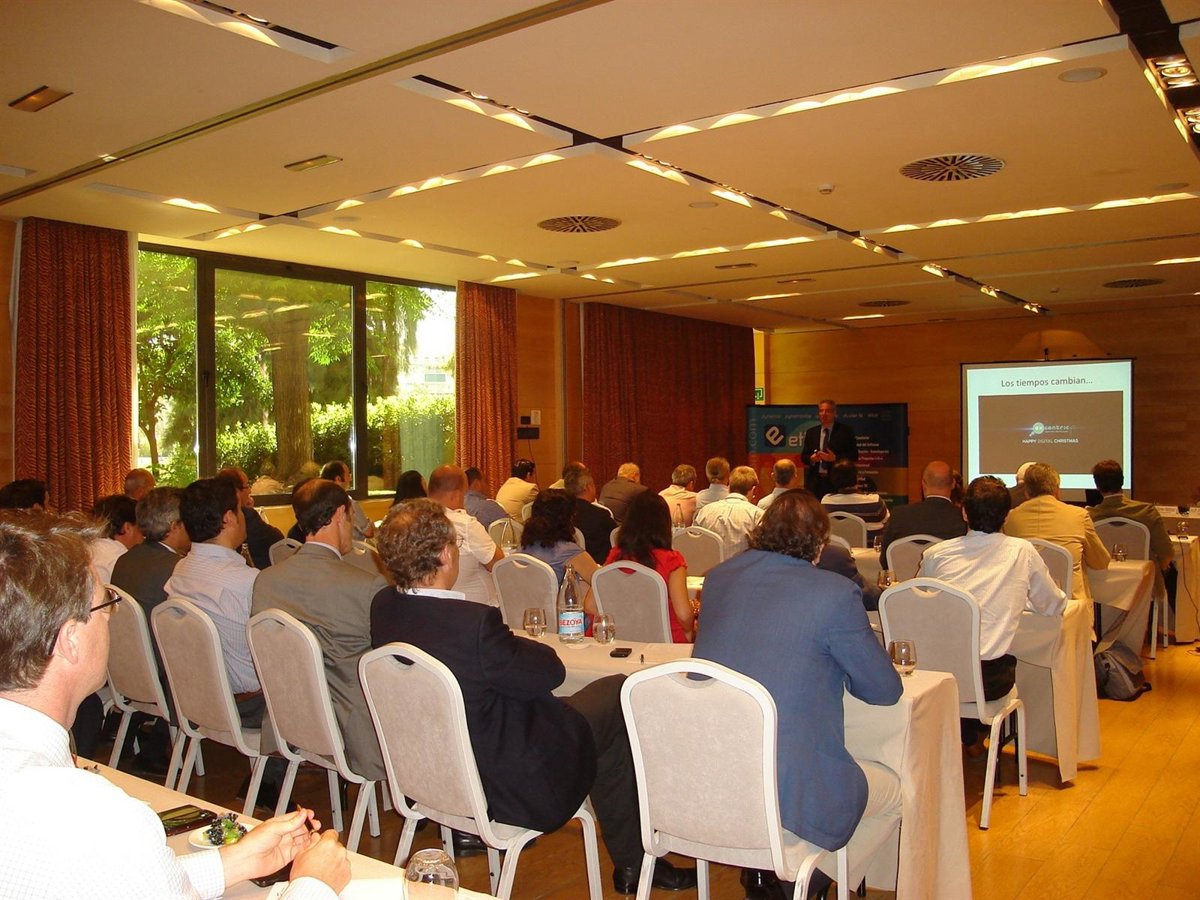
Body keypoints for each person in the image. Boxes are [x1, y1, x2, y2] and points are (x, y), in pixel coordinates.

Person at [0, 511, 350, 899]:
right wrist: (313, 883)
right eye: (106, 603)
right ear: (70, 640)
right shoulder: (96, 821)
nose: (111, 616)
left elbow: (126, 883)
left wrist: (234, 862)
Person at [369, 499, 696, 895]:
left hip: (432, 775)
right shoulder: (472, 625)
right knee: (616, 691)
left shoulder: (384, 608)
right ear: (444, 555)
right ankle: (636, 862)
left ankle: (634, 863)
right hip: (509, 784)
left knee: (600, 724)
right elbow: (550, 673)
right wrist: (515, 646)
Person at [693, 490, 902, 898]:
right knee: (895, 790)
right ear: (820, 547)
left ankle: (767, 872)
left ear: (761, 532)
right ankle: (807, 880)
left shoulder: (718, 578)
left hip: (715, 773)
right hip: (788, 785)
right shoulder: (834, 594)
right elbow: (884, 691)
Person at [251, 478, 389, 781]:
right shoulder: (365, 586)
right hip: (355, 732)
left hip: (289, 718)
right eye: (351, 517)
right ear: (340, 514)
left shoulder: (266, 581)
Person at [920, 476, 1065, 751]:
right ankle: (976, 736)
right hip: (988, 680)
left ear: (964, 512)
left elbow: (921, 603)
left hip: (936, 674)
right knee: (1010, 663)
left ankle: (964, 736)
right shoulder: (1022, 551)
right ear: (1007, 516)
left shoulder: (936, 554)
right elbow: (1053, 605)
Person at [164, 477, 262, 721]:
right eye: (240, 510)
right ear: (228, 518)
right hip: (249, 703)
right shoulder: (248, 581)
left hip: (199, 695)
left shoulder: (181, 570)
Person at [109, 486, 191, 776]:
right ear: (174, 526)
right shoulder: (177, 568)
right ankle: (156, 748)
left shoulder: (126, 559)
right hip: (160, 672)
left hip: (124, 665)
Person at [1003, 462, 1110, 606]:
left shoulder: (1009, 518)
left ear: (1026, 492)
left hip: (1024, 604)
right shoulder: (1079, 515)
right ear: (1057, 490)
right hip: (1070, 605)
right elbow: (1100, 562)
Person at [604, 491, 694, 642]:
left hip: (623, 638)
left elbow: (590, 605)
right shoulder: (671, 560)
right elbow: (684, 615)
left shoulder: (616, 556)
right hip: (666, 640)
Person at [1087, 459, 1175, 601]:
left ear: (1097, 486)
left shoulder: (1089, 516)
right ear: (1122, 481)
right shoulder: (1147, 511)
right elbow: (1166, 552)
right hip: (1143, 586)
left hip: (1101, 588)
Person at [426, 464, 502, 606]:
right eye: (464, 494)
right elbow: (499, 565)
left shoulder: (415, 521)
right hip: (477, 609)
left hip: (430, 607)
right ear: (456, 495)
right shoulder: (465, 524)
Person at [520, 489, 599, 614]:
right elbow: (601, 580)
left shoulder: (523, 549)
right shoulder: (569, 552)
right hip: (561, 620)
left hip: (525, 617)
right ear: (568, 518)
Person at [877, 460, 967, 560]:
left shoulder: (899, 515)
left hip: (906, 571)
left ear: (923, 484)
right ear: (953, 484)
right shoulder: (963, 519)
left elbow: (885, 559)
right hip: (945, 570)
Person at [216, 466, 283, 570]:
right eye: (247, 486)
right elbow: (277, 538)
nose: (250, 490)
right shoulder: (247, 515)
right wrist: (248, 510)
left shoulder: (215, 512)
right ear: (236, 492)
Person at [694, 465, 763, 559]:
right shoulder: (758, 515)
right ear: (754, 490)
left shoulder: (705, 511)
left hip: (709, 567)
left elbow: (693, 544)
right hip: (744, 567)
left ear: (729, 487)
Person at [801, 399, 858, 499]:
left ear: (834, 413)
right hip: (815, 483)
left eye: (827, 411)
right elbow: (804, 457)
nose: (824, 414)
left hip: (837, 482)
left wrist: (835, 458)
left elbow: (854, 455)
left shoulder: (845, 431)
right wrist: (812, 459)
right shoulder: (811, 432)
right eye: (821, 411)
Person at [564, 464, 618, 565]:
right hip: (597, 567)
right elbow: (617, 538)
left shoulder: (561, 513)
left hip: (567, 565)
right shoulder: (600, 515)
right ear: (588, 487)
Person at [820, 461, 889, 536]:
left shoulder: (826, 502)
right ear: (857, 477)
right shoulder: (875, 501)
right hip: (869, 543)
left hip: (838, 543)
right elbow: (887, 522)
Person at [90, 494, 142, 584]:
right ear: (127, 527)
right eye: (140, 527)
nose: (143, 535)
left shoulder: (86, 549)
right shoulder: (122, 560)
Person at [319, 460, 375, 540]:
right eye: (348, 475)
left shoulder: (316, 501)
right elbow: (369, 533)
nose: (350, 479)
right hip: (351, 546)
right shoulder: (349, 504)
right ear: (338, 479)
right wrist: (371, 523)